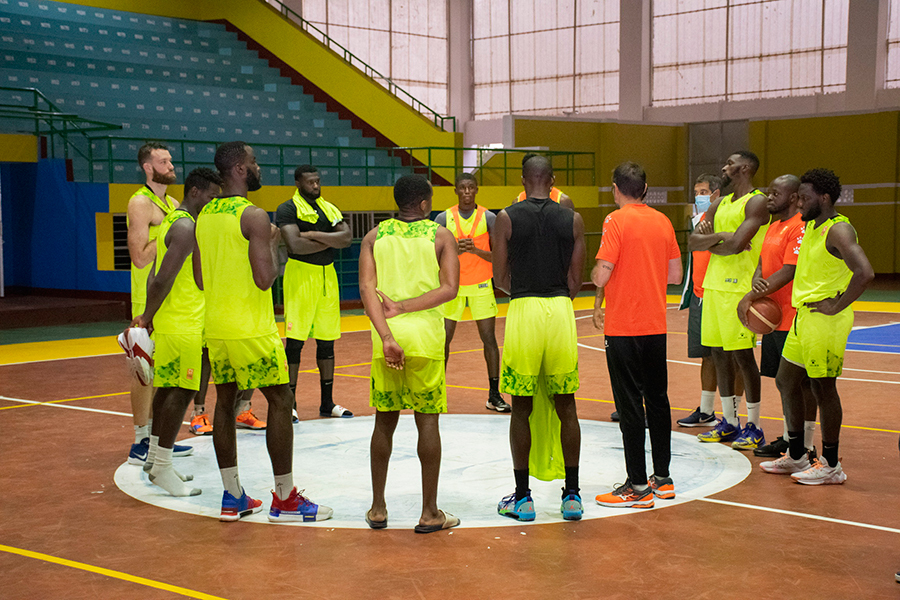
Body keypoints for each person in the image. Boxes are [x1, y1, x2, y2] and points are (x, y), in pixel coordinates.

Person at [196, 141, 332, 522]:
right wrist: (276, 246)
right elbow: (263, 278)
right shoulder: (253, 216)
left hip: (217, 327)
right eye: (254, 162)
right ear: (240, 169)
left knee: (224, 404)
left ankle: (233, 495)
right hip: (251, 327)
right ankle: (286, 499)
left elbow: (199, 277)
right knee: (280, 401)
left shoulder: (205, 214)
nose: (258, 167)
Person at [359, 174, 461, 533]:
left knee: (383, 422)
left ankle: (377, 508)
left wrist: (386, 335)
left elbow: (367, 288)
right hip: (425, 338)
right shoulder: (440, 235)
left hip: (386, 338)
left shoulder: (374, 236)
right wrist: (404, 306)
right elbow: (450, 289)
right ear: (423, 204)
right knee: (427, 421)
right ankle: (429, 512)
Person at [760, 168, 873, 484]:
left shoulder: (839, 230)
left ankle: (832, 464)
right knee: (786, 380)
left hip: (826, 320)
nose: (798, 204)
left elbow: (865, 272)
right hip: (803, 317)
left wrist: (836, 305)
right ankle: (797, 455)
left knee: (824, 389)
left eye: (805, 198)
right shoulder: (811, 225)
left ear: (823, 198)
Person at [493, 156, 586, 521]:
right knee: (567, 405)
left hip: (524, 311)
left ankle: (523, 497)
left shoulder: (506, 217)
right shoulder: (572, 218)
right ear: (552, 180)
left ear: (522, 179)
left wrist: (526, 290)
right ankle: (573, 496)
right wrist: (557, 295)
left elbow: (500, 277)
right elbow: (578, 279)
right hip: (561, 310)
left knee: (521, 405)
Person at [592, 162, 683, 508]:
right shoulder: (662, 221)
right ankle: (663, 478)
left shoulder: (615, 221)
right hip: (655, 326)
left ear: (615, 188)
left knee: (630, 405)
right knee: (658, 400)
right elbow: (674, 274)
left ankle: (638, 486)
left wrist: (601, 274)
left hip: (624, 327)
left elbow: (601, 275)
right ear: (645, 189)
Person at [131, 168, 222, 496]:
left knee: (168, 391)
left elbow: (156, 272)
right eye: (212, 196)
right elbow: (162, 278)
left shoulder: (175, 221)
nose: (214, 202)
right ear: (196, 192)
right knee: (180, 393)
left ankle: (155, 460)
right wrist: (146, 316)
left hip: (175, 320)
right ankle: (164, 467)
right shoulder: (186, 226)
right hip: (183, 322)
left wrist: (152, 316)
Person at [690, 151, 769, 449]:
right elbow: (693, 241)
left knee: (744, 359)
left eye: (730, 164)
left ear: (745, 168)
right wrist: (722, 236)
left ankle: (755, 425)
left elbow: (737, 245)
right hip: (713, 287)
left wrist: (717, 241)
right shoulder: (720, 202)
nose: (724, 167)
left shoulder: (757, 201)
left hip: (739, 289)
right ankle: (730, 422)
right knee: (720, 356)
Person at [736, 175, 816, 457]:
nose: (769, 197)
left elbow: (789, 270)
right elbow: (763, 262)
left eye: (775, 193)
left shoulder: (799, 227)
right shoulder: (774, 226)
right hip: (776, 317)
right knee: (785, 383)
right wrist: (757, 280)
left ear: (793, 198)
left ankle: (805, 443)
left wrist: (750, 297)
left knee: (800, 383)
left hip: (793, 315)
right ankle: (788, 436)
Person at [125, 142, 193, 464]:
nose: (170, 165)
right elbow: (139, 258)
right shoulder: (140, 202)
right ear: (147, 167)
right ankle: (140, 441)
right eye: (163, 161)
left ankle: (156, 437)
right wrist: (171, 235)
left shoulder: (173, 203)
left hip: (168, 298)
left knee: (163, 373)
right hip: (146, 298)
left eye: (170, 160)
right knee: (142, 370)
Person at [276, 165, 353, 421]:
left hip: (326, 276)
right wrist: (329, 238)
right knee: (295, 342)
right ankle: (291, 403)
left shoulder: (328, 208)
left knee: (327, 340)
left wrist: (314, 234)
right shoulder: (288, 209)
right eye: (310, 182)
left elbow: (346, 239)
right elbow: (295, 245)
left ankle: (327, 403)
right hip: (300, 276)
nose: (316, 186)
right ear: (298, 183)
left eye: (318, 181)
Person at [434, 172, 510, 412]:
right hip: (451, 287)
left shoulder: (489, 217)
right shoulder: (443, 218)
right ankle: (436, 392)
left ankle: (494, 394)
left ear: (477, 190)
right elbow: (431, 255)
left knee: (489, 339)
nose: (467, 192)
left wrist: (476, 251)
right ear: (456, 190)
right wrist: (452, 251)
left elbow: (500, 256)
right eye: (462, 188)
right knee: (443, 340)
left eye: (471, 188)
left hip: (480, 285)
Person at [677, 174, 745, 428]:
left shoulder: (731, 218)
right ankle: (706, 411)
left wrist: (715, 237)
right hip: (700, 294)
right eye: (697, 192)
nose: (699, 197)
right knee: (706, 355)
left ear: (717, 194)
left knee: (735, 358)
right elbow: (694, 251)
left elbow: (735, 244)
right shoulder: (697, 220)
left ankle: (734, 413)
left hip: (726, 293)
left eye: (704, 192)